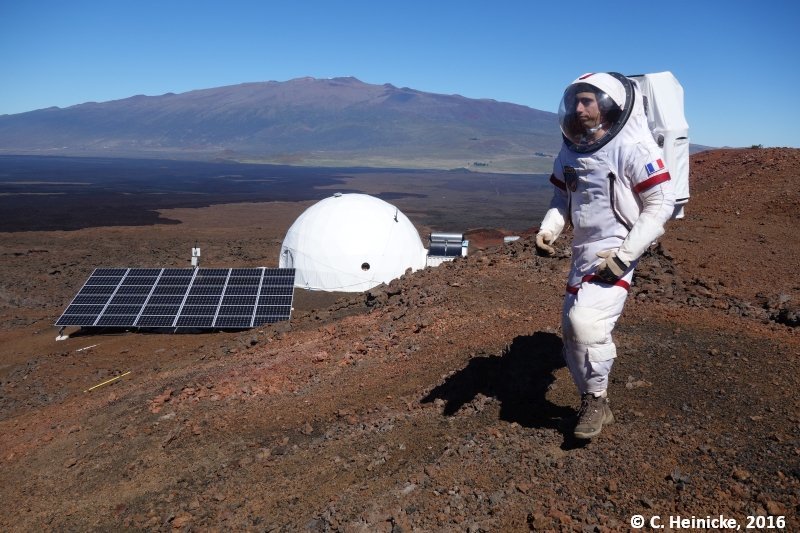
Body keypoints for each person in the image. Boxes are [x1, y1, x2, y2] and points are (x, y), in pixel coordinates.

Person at [535, 72, 675, 439]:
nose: (579, 108)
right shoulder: (570, 150)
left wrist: (625, 256)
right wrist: (549, 229)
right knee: (570, 330)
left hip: (617, 247)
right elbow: (561, 199)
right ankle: (593, 398)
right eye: (575, 102)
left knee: (586, 323)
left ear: (607, 105)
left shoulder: (633, 148)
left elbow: (660, 203)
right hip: (583, 250)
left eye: (588, 101)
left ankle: (595, 400)